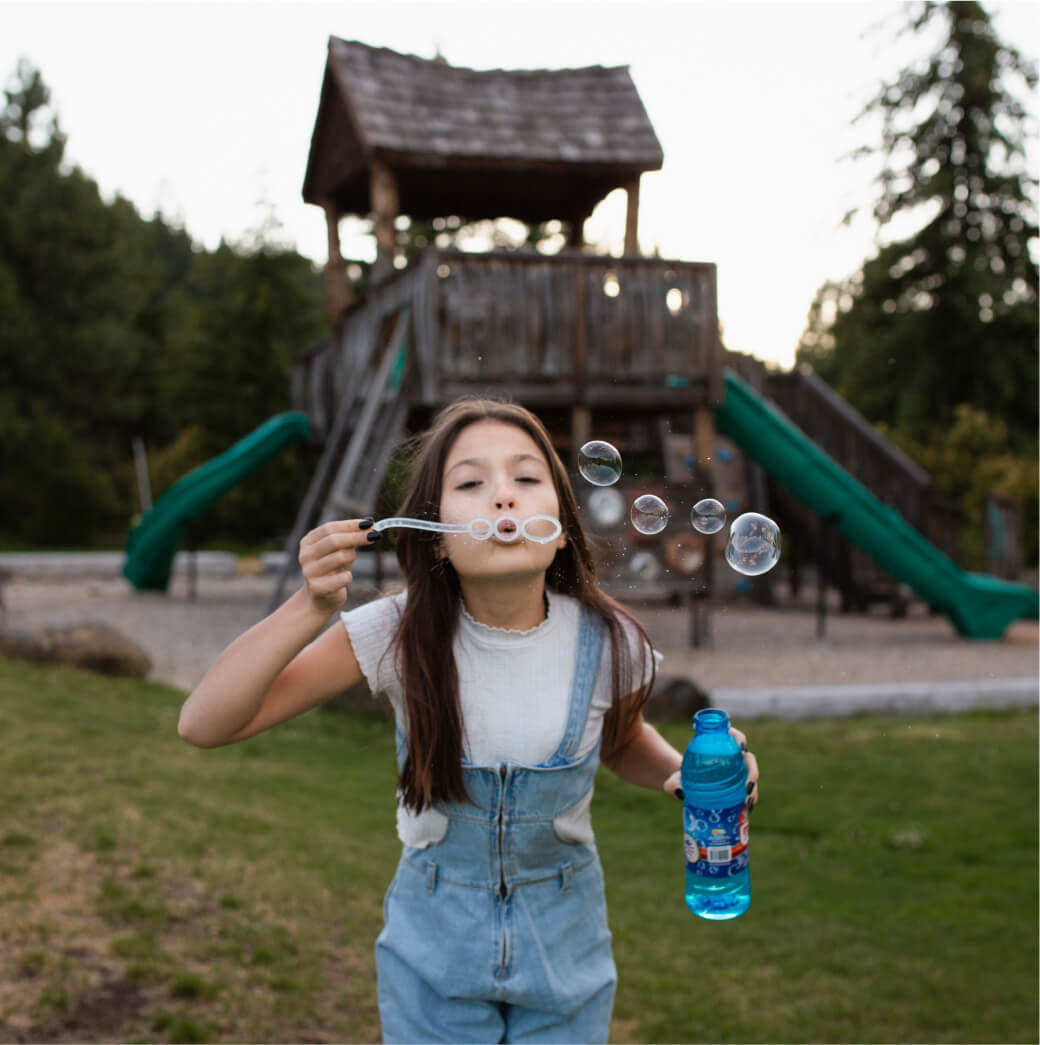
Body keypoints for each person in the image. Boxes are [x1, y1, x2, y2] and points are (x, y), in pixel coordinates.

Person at [178, 397, 760, 1044]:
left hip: (565, 956)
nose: (502, 498)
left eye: (526, 478)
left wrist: (686, 774)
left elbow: (621, 743)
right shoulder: (394, 632)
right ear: (435, 532)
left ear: (563, 527)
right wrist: (306, 607)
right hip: (432, 959)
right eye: (471, 483)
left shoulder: (610, 642)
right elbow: (205, 723)